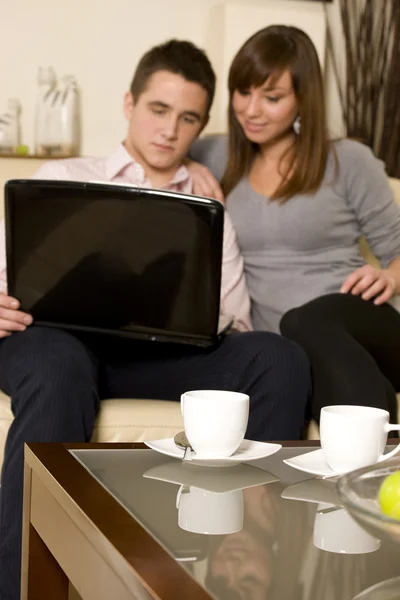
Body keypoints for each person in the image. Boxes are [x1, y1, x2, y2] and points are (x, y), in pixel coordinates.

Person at [0, 39, 311, 599]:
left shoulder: (208, 203)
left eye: (188, 118)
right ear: (129, 103)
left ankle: (253, 563)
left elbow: (236, 317)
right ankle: (21, 587)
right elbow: (12, 276)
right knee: (58, 364)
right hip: (59, 346)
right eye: (158, 110)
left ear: (202, 126)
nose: (170, 130)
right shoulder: (65, 174)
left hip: (161, 357)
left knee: (278, 356)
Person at [189, 24, 400, 425]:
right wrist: (187, 166)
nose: (251, 110)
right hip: (297, 350)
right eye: (243, 92)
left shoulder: (347, 160)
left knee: (305, 319)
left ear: (303, 99)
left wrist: (390, 277)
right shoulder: (213, 155)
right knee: (300, 367)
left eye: (272, 97)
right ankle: (377, 464)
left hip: (365, 325)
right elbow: (155, 156)